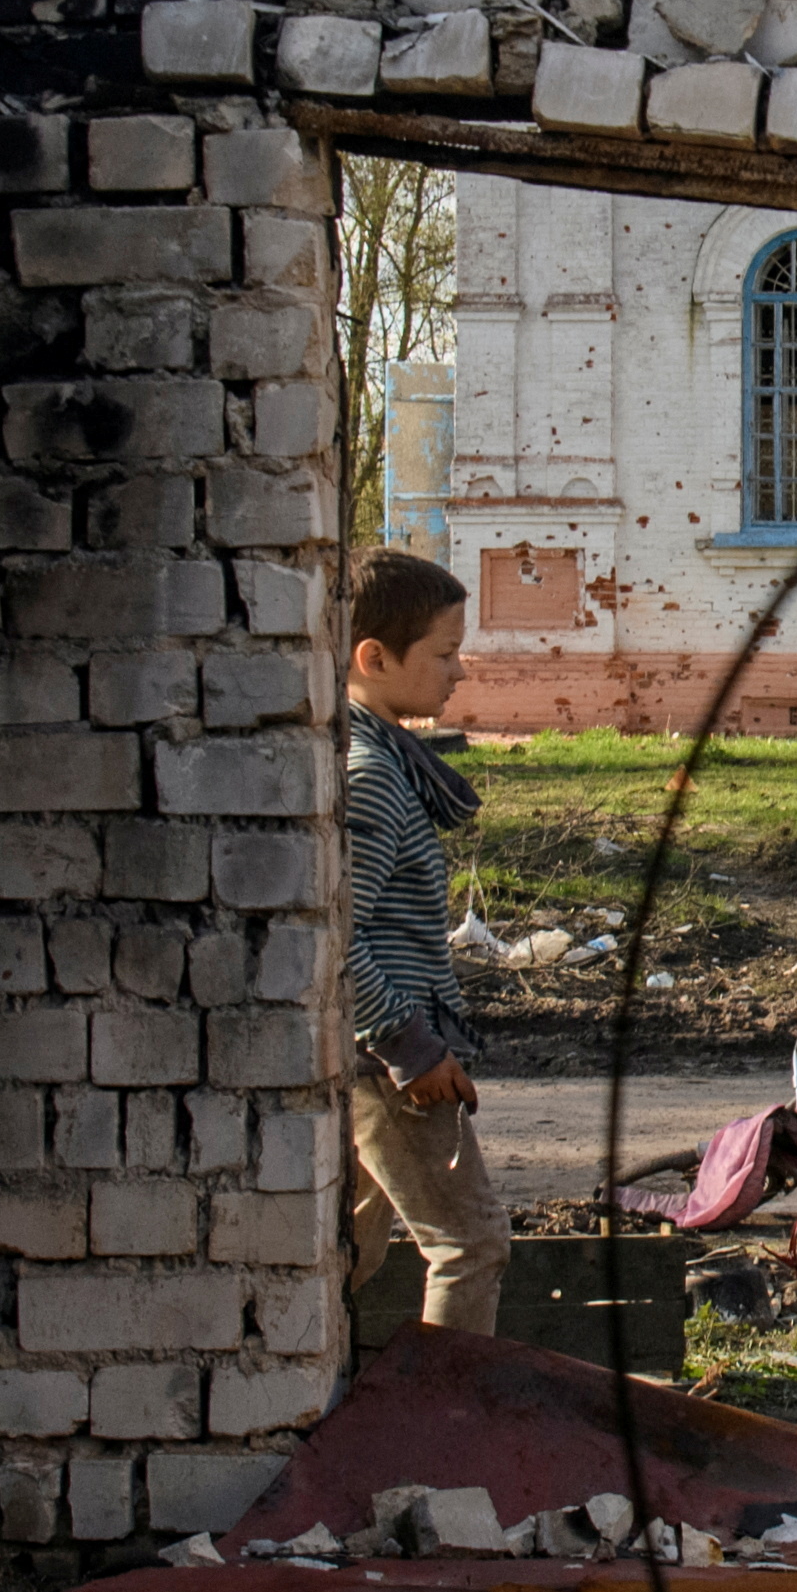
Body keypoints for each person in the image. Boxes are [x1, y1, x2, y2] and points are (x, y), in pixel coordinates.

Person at [338, 547, 501, 1346]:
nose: (458, 671)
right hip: (390, 1061)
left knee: (345, 1255)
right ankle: (446, 1427)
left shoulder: (386, 759)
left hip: (379, 1054)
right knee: (471, 1243)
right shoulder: (369, 772)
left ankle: (306, 1411)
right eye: (442, 653)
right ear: (372, 657)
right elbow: (336, 937)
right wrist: (410, 1043)